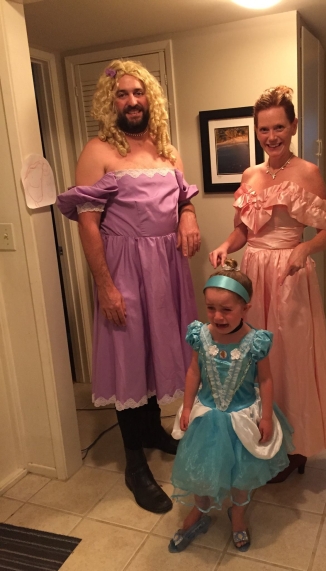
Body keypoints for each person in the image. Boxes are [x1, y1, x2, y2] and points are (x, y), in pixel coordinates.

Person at [56, 59, 201, 513]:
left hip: (167, 269)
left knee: (157, 351)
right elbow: (88, 225)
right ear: (111, 101)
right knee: (128, 356)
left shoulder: (167, 151)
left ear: (149, 98)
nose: (132, 101)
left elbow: (182, 201)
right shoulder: (97, 151)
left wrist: (189, 216)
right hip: (123, 269)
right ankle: (134, 462)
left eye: (138, 93)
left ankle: (154, 430)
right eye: (122, 94)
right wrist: (105, 286)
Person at [209, 86, 326, 482]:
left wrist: (305, 248)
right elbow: (243, 231)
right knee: (254, 358)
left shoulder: (308, 173)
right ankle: (257, 436)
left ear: (294, 126)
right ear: (256, 131)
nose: (272, 137)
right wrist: (225, 245)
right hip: (253, 275)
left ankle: (294, 445)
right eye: (264, 129)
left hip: (289, 275)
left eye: (279, 127)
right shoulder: (250, 175)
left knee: (290, 360)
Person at [168, 259, 295, 553]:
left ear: (245, 308)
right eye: (211, 308)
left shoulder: (255, 341)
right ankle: (199, 510)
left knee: (242, 474)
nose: (218, 316)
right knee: (201, 469)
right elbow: (194, 372)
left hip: (242, 419)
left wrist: (266, 416)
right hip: (207, 417)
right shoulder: (200, 335)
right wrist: (186, 407)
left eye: (226, 309)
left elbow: (265, 380)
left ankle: (237, 515)